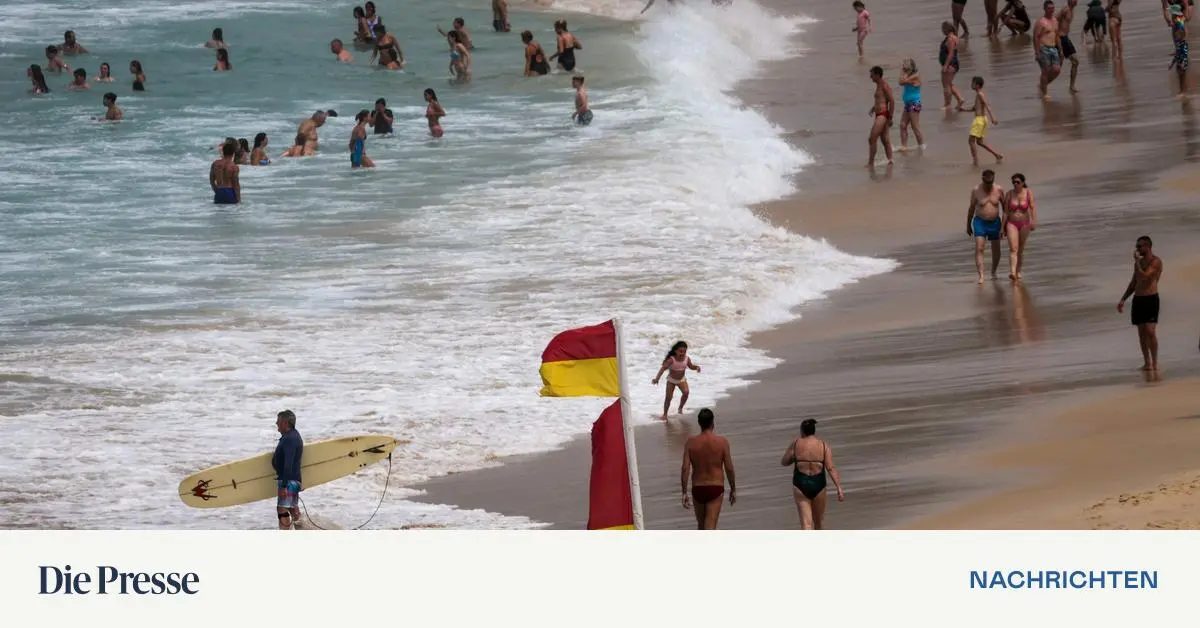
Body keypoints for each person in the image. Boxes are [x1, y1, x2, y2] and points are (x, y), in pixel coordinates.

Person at [780, 419, 844, 530]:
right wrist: (839, 487)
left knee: (806, 524)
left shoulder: (796, 444)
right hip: (819, 484)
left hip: (801, 484)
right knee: (819, 522)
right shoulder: (824, 445)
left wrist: (796, 459)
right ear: (814, 431)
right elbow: (830, 468)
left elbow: (784, 462)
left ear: (802, 431)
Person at [681, 409, 736, 530]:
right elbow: (729, 468)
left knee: (701, 527)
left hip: (698, 489)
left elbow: (685, 468)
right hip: (715, 488)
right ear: (713, 423)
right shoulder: (722, 442)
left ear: (699, 423)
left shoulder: (690, 443)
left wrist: (684, 492)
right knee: (710, 528)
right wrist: (733, 489)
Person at [1117, 236, 1163, 371]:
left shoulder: (1156, 262)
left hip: (1151, 299)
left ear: (1148, 247)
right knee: (1141, 333)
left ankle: (1155, 362)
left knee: (1150, 331)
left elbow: (1145, 277)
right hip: (1138, 299)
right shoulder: (1138, 263)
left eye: (1139, 246)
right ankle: (1147, 363)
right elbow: (1134, 282)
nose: (1137, 249)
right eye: (1137, 246)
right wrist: (1123, 299)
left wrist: (1137, 263)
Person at [967, 169, 1005, 283]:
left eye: (990, 183)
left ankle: (993, 272)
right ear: (982, 179)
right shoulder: (976, 190)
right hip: (980, 222)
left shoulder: (999, 189)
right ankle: (981, 275)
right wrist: (968, 225)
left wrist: (1004, 226)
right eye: (986, 183)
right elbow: (971, 209)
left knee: (996, 248)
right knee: (979, 247)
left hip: (995, 222)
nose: (988, 186)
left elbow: (1005, 208)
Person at [652, 341, 701, 420]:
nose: (682, 353)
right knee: (668, 397)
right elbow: (662, 369)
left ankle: (680, 408)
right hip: (671, 380)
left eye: (684, 351)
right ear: (675, 351)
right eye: (680, 351)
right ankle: (665, 414)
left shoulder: (687, 359)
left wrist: (697, 367)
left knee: (686, 392)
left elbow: (691, 366)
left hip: (681, 380)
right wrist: (657, 379)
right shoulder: (671, 359)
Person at [272, 410, 304, 531]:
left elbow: (288, 463)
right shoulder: (292, 436)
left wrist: (284, 485)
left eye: (278, 421)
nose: (276, 423)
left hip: (288, 481)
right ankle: (304, 530)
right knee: (292, 509)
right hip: (292, 479)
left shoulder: (290, 438)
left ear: (285, 423)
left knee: (282, 508)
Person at [1003, 173, 1036, 280]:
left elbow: (1032, 207)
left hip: (1024, 223)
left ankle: (1018, 271)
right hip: (1011, 223)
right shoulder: (1009, 194)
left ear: (1022, 182)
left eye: (1017, 182)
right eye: (1013, 182)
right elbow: (1005, 212)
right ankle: (1012, 272)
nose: (1015, 184)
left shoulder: (1028, 192)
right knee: (1013, 248)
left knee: (1020, 249)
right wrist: (1002, 227)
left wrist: (1033, 221)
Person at [967, 76, 1002, 166]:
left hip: (979, 120)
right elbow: (974, 108)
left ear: (977, 85)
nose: (971, 84)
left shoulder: (980, 94)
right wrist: (962, 109)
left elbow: (986, 105)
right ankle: (996, 155)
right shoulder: (978, 95)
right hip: (981, 120)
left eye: (973, 83)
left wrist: (993, 117)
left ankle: (975, 160)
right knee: (979, 142)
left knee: (971, 141)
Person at [867, 65, 894, 167]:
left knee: (872, 138)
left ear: (878, 75)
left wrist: (890, 118)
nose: (871, 77)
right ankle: (890, 160)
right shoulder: (878, 85)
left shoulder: (884, 85)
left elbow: (891, 101)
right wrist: (873, 108)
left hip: (883, 115)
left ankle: (871, 163)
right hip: (879, 113)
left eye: (872, 75)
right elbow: (881, 99)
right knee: (884, 139)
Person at [1034, 1, 1062, 101]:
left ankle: (1042, 85)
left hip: (1053, 48)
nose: (1052, 10)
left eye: (1053, 8)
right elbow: (1036, 37)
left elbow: (1057, 36)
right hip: (1043, 48)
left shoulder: (1055, 20)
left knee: (1057, 70)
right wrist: (1037, 52)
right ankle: (1045, 93)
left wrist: (1061, 50)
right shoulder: (1041, 22)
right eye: (1049, 8)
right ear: (1045, 9)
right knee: (1045, 71)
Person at [898, 59, 925, 150]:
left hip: (915, 103)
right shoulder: (908, 76)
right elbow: (902, 81)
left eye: (905, 65)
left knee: (915, 126)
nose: (904, 66)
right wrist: (904, 73)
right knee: (902, 125)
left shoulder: (915, 76)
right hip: (908, 104)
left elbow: (901, 82)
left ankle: (921, 146)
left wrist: (902, 72)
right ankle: (904, 146)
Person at [940, 22, 967, 109]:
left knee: (946, 85)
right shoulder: (954, 37)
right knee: (949, 84)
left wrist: (946, 66)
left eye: (942, 29)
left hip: (950, 64)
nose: (942, 31)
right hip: (953, 63)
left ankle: (947, 105)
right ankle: (960, 99)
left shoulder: (950, 39)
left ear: (947, 29)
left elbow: (951, 53)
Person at [1056, 0, 1080, 93]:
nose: (1076, 1)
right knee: (1057, 68)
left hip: (1065, 38)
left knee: (1075, 61)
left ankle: (1072, 86)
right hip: (1061, 38)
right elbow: (1055, 19)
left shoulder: (1071, 9)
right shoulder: (1065, 9)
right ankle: (1043, 84)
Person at [1169, 1, 1190, 98]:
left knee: (1181, 70)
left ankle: (1183, 91)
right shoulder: (1179, 20)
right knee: (1180, 70)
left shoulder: (1179, 20)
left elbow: (1182, 32)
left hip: (1181, 46)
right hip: (1181, 46)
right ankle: (1183, 90)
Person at [210, 140, 240, 204]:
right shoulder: (234, 166)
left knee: (219, 213)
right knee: (232, 213)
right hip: (229, 192)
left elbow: (211, 180)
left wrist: (217, 191)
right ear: (233, 153)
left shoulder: (215, 164)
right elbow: (236, 185)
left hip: (219, 192)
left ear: (223, 151)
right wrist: (239, 200)